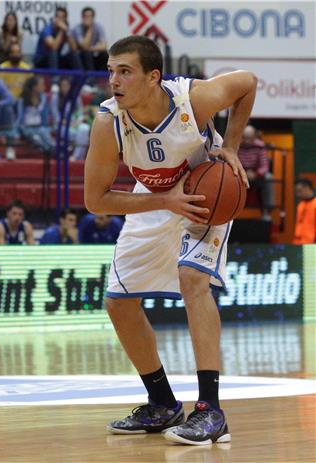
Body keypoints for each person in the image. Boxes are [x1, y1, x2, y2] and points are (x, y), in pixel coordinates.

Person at [84, 35, 255, 445]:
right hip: (157, 197)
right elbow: (95, 200)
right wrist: (165, 200)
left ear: (153, 76)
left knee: (192, 281)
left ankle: (211, 411)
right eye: (110, 71)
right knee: (118, 302)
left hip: (203, 195)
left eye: (125, 71)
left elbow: (247, 82)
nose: (114, 81)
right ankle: (162, 403)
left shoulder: (192, 100)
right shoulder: (109, 123)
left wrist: (231, 146)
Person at [238, 125, 275, 220]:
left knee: (269, 177)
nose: (246, 141)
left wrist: (256, 174)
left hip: (256, 176)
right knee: (225, 178)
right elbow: (231, 161)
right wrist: (242, 173)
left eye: (249, 138)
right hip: (238, 175)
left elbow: (264, 166)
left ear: (254, 137)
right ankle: (228, 212)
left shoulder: (260, 146)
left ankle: (267, 211)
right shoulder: (236, 144)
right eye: (244, 138)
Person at [51, 76, 90, 160]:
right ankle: (78, 156)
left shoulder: (76, 96)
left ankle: (75, 156)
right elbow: (56, 116)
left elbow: (80, 112)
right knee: (80, 135)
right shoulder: (55, 98)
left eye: (67, 86)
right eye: (63, 86)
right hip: (62, 125)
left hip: (75, 123)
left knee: (85, 128)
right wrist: (66, 122)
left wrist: (77, 121)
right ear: (60, 87)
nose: (65, 88)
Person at [17, 76, 55, 156]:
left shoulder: (43, 98)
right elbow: (19, 117)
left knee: (47, 138)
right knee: (36, 139)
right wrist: (17, 130)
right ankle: (45, 150)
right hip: (27, 128)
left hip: (40, 127)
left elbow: (45, 116)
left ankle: (52, 150)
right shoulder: (23, 100)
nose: (44, 87)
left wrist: (47, 127)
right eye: (41, 84)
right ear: (34, 87)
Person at [71, 7, 108, 71]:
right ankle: (90, 78)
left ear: (93, 18)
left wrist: (90, 49)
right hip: (80, 55)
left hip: (92, 52)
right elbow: (84, 46)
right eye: (85, 16)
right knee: (86, 53)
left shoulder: (99, 27)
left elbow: (104, 46)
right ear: (82, 17)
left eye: (89, 16)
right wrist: (90, 29)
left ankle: (103, 78)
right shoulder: (77, 28)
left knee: (104, 54)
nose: (87, 18)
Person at [293, 178, 316, 244]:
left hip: (312, 243)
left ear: (307, 188)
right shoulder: (301, 205)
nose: (298, 194)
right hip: (299, 242)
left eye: (300, 191)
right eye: (297, 191)